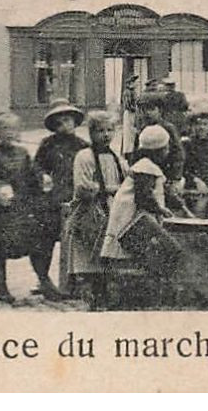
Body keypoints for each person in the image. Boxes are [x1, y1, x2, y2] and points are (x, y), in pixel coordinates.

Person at [0, 112, 64, 304]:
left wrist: (42, 178)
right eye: (5, 129)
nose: (10, 133)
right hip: (3, 212)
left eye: (13, 128)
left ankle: (44, 282)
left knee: (37, 244)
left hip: (25, 208)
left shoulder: (23, 153)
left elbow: (32, 174)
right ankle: (2, 287)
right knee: (0, 249)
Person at [101, 124, 174, 307]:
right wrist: (160, 210)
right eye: (166, 147)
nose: (168, 151)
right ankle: (129, 296)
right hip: (130, 217)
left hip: (132, 216)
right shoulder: (146, 168)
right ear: (158, 150)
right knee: (129, 249)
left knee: (132, 253)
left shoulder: (146, 166)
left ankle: (131, 293)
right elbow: (144, 197)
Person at [65, 110, 126, 305]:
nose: (106, 135)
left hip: (112, 209)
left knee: (107, 251)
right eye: (101, 131)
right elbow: (83, 187)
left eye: (110, 130)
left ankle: (106, 291)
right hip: (91, 209)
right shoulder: (84, 156)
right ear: (91, 133)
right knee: (88, 251)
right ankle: (88, 292)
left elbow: (127, 178)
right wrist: (110, 189)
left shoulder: (117, 157)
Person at [34, 99, 88, 288]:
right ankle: (43, 279)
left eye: (68, 120)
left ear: (75, 121)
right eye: (59, 122)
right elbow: (37, 165)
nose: (64, 125)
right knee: (46, 239)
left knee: (77, 239)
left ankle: (74, 280)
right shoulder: (47, 144)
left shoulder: (83, 146)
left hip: (76, 198)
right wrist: (43, 176)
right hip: (53, 199)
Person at [129, 91, 185, 209]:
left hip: (166, 175)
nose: (146, 113)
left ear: (160, 110)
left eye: (151, 109)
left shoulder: (168, 128)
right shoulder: (142, 130)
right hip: (147, 176)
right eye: (143, 110)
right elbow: (136, 155)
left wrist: (175, 178)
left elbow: (178, 155)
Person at [181, 113, 208, 218]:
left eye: (205, 124)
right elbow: (183, 169)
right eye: (199, 124)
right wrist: (195, 180)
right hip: (194, 189)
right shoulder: (188, 144)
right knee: (196, 218)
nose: (202, 127)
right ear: (194, 127)